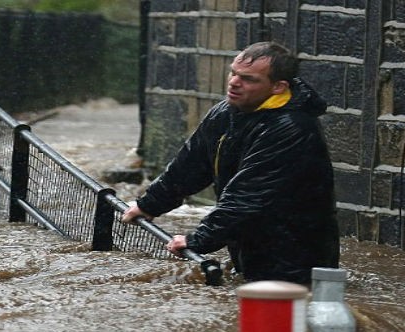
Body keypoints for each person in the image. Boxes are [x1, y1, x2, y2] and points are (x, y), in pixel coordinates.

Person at [122, 41, 339, 284]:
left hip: (294, 254)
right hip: (249, 244)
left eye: (248, 79)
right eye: (233, 72)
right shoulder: (226, 112)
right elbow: (191, 164)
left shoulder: (292, 128)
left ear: (278, 87)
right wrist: (150, 205)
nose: (234, 82)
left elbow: (249, 196)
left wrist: (199, 240)